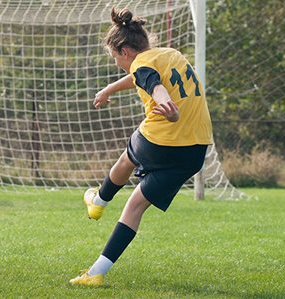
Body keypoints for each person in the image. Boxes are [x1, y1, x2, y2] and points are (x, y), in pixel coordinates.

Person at [70, 7, 213, 286]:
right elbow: (144, 76)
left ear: (125, 51)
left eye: (115, 58)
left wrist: (167, 108)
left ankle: (98, 201)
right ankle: (96, 273)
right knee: (135, 205)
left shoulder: (140, 65)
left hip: (161, 140)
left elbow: (152, 83)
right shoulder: (171, 54)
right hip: (195, 150)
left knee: (126, 159)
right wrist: (109, 89)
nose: (117, 64)